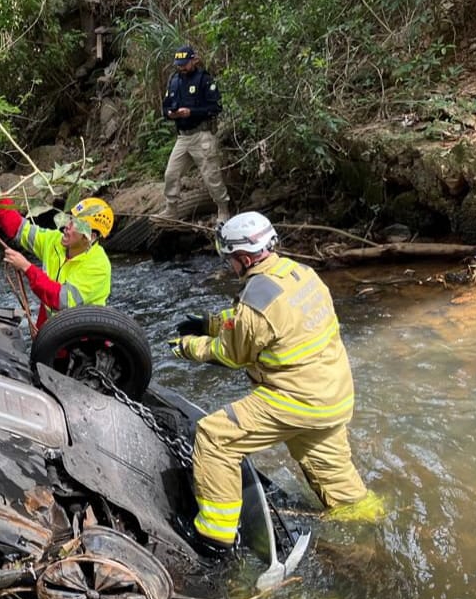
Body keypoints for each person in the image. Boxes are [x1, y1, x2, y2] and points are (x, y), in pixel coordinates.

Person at [169, 212, 383, 555]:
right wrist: (210, 322)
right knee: (339, 483)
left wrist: (187, 347)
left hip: (294, 398)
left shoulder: (257, 300)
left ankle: (215, 537)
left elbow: (231, 352)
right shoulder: (301, 274)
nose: (229, 267)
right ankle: (371, 538)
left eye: (230, 260)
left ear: (243, 258)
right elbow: (267, 320)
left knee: (215, 436)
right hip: (333, 396)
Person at [0, 172, 113, 330]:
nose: (67, 226)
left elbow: (61, 300)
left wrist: (27, 268)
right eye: (70, 218)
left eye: (76, 224)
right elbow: (19, 228)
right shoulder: (55, 241)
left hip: (80, 337)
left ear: (90, 236)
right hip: (51, 328)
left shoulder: (98, 266)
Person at [162, 44, 232, 222]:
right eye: (179, 64)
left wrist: (191, 112)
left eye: (185, 64)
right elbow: (166, 105)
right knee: (171, 174)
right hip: (183, 137)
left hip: (202, 135)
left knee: (211, 175)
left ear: (195, 60)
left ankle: (223, 209)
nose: (181, 67)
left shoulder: (204, 79)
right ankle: (171, 209)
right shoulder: (174, 80)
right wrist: (170, 113)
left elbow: (215, 107)